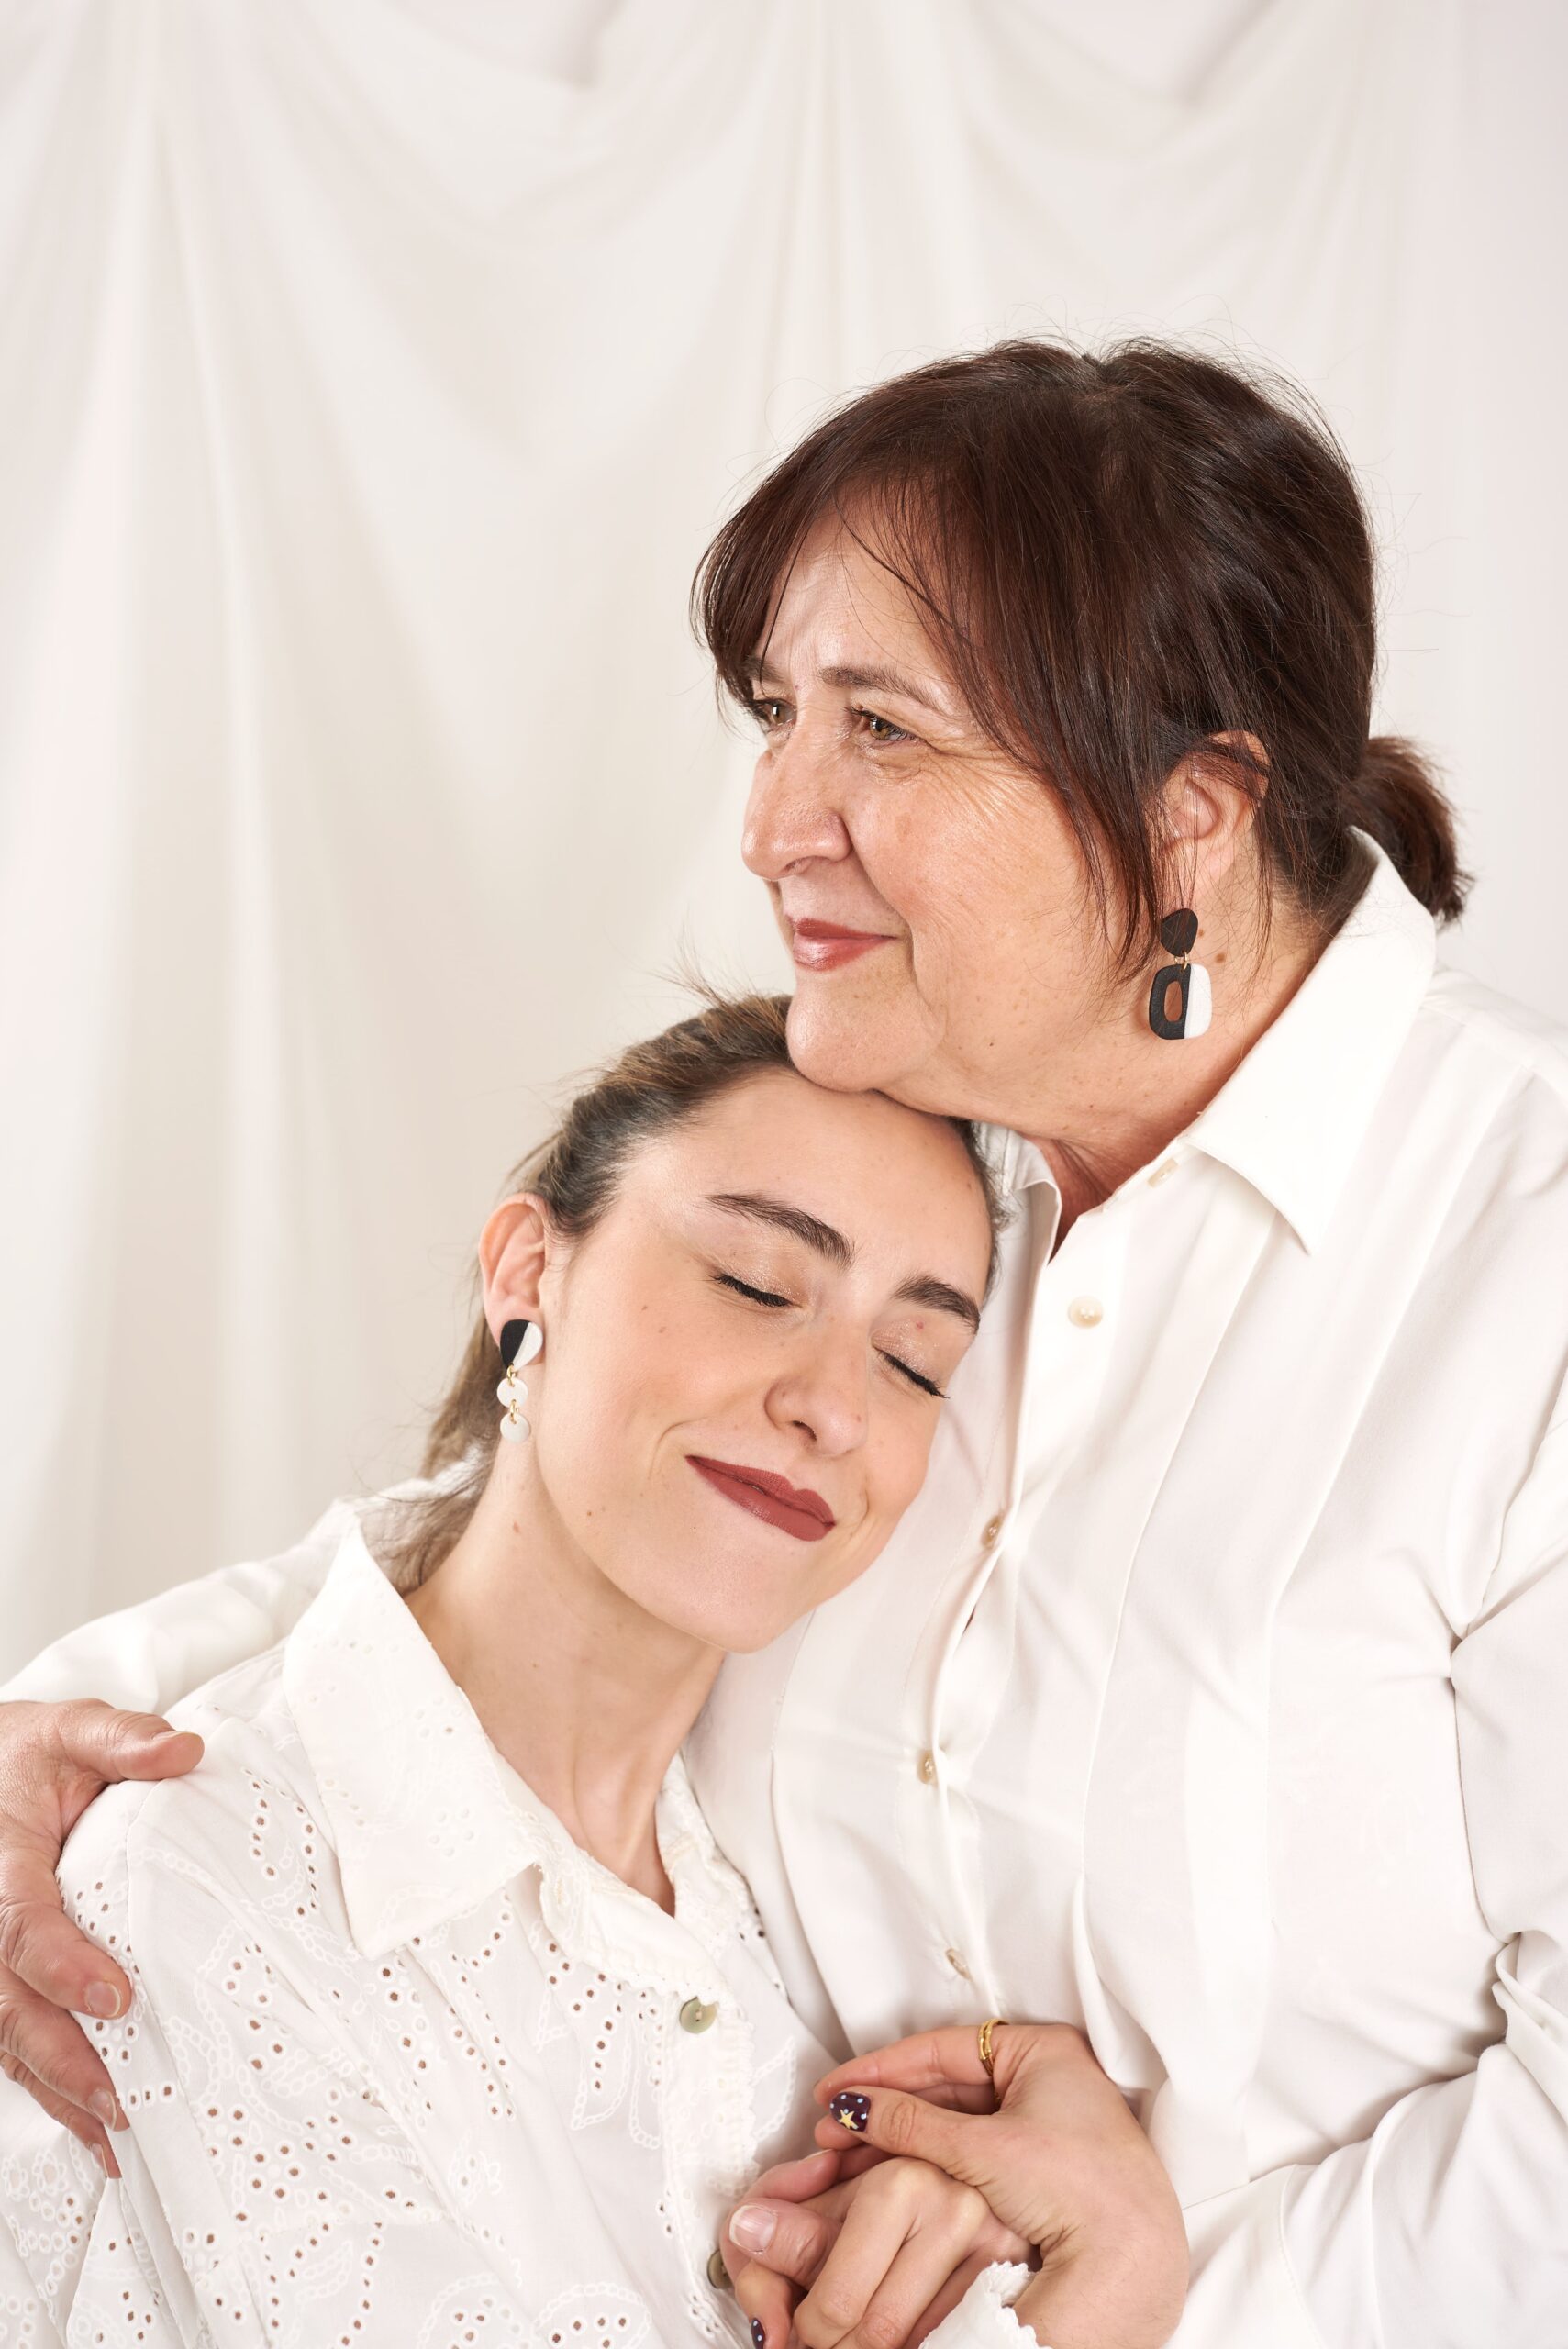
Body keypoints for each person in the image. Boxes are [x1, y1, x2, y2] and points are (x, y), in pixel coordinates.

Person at [3, 338, 1566, 2346]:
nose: (769, 823)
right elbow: (564, 1509)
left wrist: (1118, 2308)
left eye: (881, 730)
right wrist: (83, 1722)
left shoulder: (1516, 1257)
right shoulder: (920, 1145)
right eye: (775, 714)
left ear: (1189, 815)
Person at [5, 996, 1166, 2346]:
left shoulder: (780, 1918)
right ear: (527, 1275)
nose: (834, 1408)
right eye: (757, 1285)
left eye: (914, 1363)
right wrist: (1104, 2294)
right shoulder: (195, 1897)